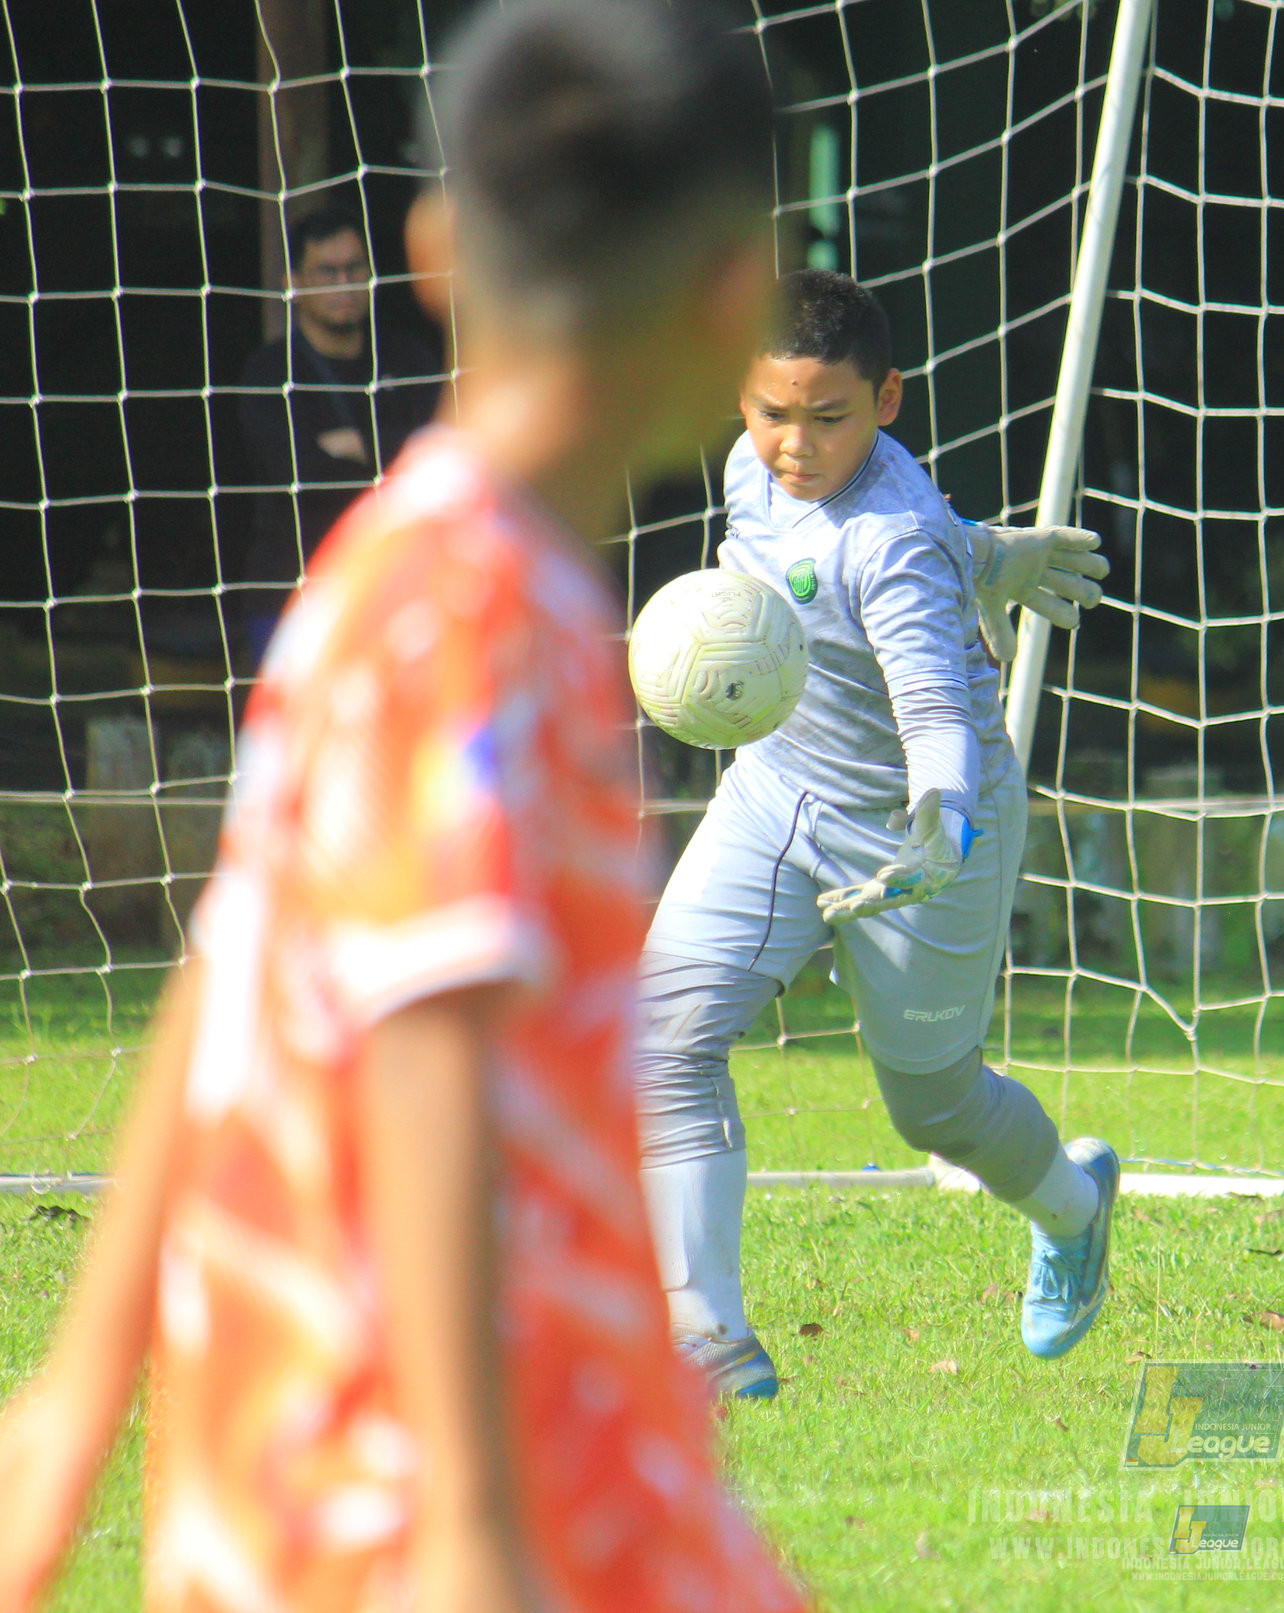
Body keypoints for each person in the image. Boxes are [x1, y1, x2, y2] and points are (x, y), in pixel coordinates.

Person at [0, 5, 814, 1612]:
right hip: (430, 1477)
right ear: (736, 293)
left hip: (426, 1442)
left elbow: (230, 969)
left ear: (436, 255)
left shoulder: (397, 568)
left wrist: (75, 1397)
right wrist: (467, 1529)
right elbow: (429, 1037)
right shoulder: (477, 609)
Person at [633, 268, 1116, 1399]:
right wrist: (984, 551)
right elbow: (823, 549)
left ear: (887, 399)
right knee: (660, 1039)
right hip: (775, 795)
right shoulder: (750, 468)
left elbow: (932, 705)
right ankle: (708, 1337)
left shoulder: (895, 543)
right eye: (771, 412)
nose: (794, 445)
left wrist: (941, 816)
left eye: (829, 417)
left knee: (932, 1107)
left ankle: (1073, 1206)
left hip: (926, 833)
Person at [235, 207, 444, 661]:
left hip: (400, 594)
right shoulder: (270, 372)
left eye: (354, 269)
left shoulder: (409, 359)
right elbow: (302, 477)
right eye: (327, 272)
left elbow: (447, 455)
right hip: (293, 597)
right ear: (294, 282)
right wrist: (395, 457)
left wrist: (361, 444)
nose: (343, 284)